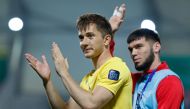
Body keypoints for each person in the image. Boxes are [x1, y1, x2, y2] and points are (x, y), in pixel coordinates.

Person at [25, 4, 132, 109]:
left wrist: (64, 72)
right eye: (81, 38)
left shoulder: (115, 68)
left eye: (90, 36)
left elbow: (92, 104)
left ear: (106, 40)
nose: (83, 43)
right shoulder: (88, 78)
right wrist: (47, 81)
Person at [126, 29, 184, 109]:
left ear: (156, 47)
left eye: (138, 46)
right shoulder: (139, 79)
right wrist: (111, 31)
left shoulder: (169, 81)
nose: (133, 53)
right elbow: (111, 70)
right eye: (131, 49)